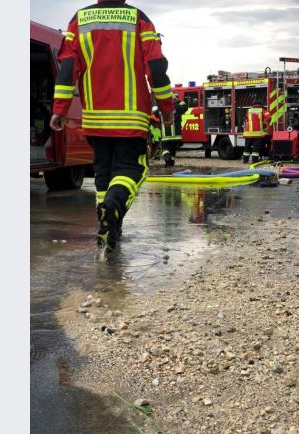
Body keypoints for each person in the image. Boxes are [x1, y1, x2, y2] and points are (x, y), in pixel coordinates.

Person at [50, 0, 175, 252]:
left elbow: (68, 68)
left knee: (104, 177)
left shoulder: (79, 20)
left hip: (95, 120)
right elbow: (156, 67)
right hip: (130, 119)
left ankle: (110, 232)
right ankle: (114, 209)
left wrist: (60, 109)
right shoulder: (138, 19)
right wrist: (166, 108)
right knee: (132, 172)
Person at [161, 94, 188, 167]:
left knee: (164, 148)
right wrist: (178, 101)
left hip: (165, 135)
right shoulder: (177, 107)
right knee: (173, 150)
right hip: (176, 135)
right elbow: (185, 107)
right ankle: (171, 163)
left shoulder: (161, 108)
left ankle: (167, 159)